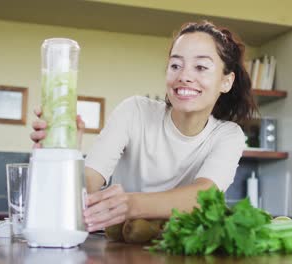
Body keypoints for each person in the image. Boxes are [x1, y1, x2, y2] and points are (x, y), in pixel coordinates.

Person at [30, 21, 256, 232]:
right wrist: (65, 152)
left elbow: (205, 196)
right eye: (175, 65)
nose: (184, 76)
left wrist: (130, 204)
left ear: (226, 81)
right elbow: (86, 185)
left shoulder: (228, 135)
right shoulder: (135, 112)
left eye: (200, 67)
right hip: (120, 247)